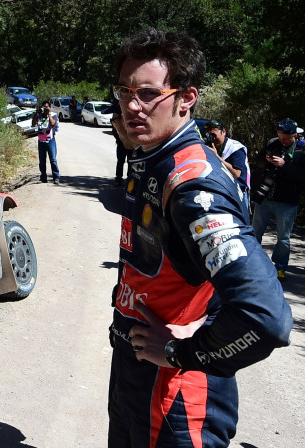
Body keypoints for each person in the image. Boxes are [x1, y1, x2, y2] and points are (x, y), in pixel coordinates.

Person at [108, 27, 292, 448]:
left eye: (149, 93)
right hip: (134, 374)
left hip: (175, 396)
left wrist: (180, 354)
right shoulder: (152, 157)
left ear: (187, 98)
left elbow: (266, 319)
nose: (132, 105)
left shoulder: (193, 185)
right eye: (124, 90)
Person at [250, 118, 305, 281]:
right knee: (255, 231)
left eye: (286, 139)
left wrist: (284, 165)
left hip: (287, 201)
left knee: (283, 237)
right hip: (266, 196)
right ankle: (252, 263)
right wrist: (265, 160)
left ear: (294, 135)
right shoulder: (273, 143)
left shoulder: (302, 150)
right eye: (280, 137)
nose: (283, 141)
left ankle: (280, 267)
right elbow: (258, 163)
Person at [203, 119, 251, 211]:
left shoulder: (235, 148)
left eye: (213, 135)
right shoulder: (207, 146)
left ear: (223, 132)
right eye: (208, 135)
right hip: (219, 191)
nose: (211, 139)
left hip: (237, 193)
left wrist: (217, 157)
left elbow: (236, 174)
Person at [31, 100, 61, 184]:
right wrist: (36, 114)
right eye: (43, 107)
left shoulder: (53, 115)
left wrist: (49, 114)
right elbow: (33, 124)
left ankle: (56, 177)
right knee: (42, 160)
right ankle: (43, 177)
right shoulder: (39, 115)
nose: (45, 109)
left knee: (53, 159)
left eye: (46, 107)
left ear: (50, 108)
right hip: (41, 141)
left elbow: (52, 124)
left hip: (50, 141)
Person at [109, 102, 134, 186]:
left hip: (131, 144)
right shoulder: (116, 119)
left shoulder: (127, 117)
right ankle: (119, 179)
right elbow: (114, 130)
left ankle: (128, 180)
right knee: (121, 162)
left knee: (130, 162)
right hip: (121, 143)